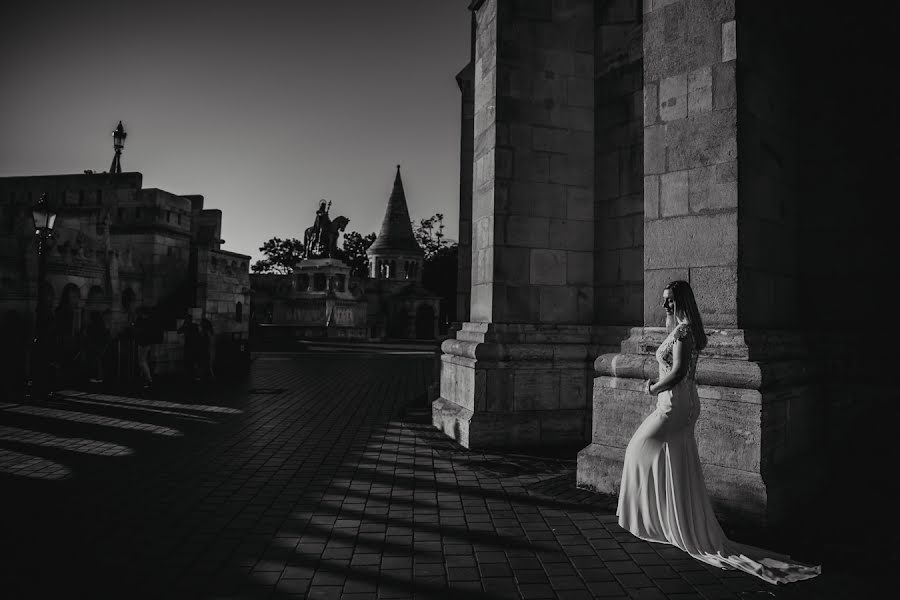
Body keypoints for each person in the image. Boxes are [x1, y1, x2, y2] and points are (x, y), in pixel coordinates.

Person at [616, 280, 820, 585]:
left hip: (674, 404)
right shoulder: (679, 327)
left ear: (682, 300)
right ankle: (664, 520)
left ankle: (656, 521)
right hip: (677, 403)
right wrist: (670, 321)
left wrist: (651, 387)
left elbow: (678, 372)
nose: (664, 305)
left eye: (669, 300)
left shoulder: (684, 332)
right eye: (663, 300)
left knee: (638, 447)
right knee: (670, 458)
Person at [134, 308, 155, 389]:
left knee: (142, 361)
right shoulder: (149, 321)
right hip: (146, 343)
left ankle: (148, 379)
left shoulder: (141, 321)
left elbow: (138, 330)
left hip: (142, 343)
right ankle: (145, 379)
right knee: (143, 361)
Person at [177, 313, 201, 381]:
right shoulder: (194, 325)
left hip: (189, 346)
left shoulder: (186, 326)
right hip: (194, 345)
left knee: (189, 361)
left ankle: (191, 375)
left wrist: (184, 325)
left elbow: (179, 331)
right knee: (194, 361)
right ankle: (196, 375)